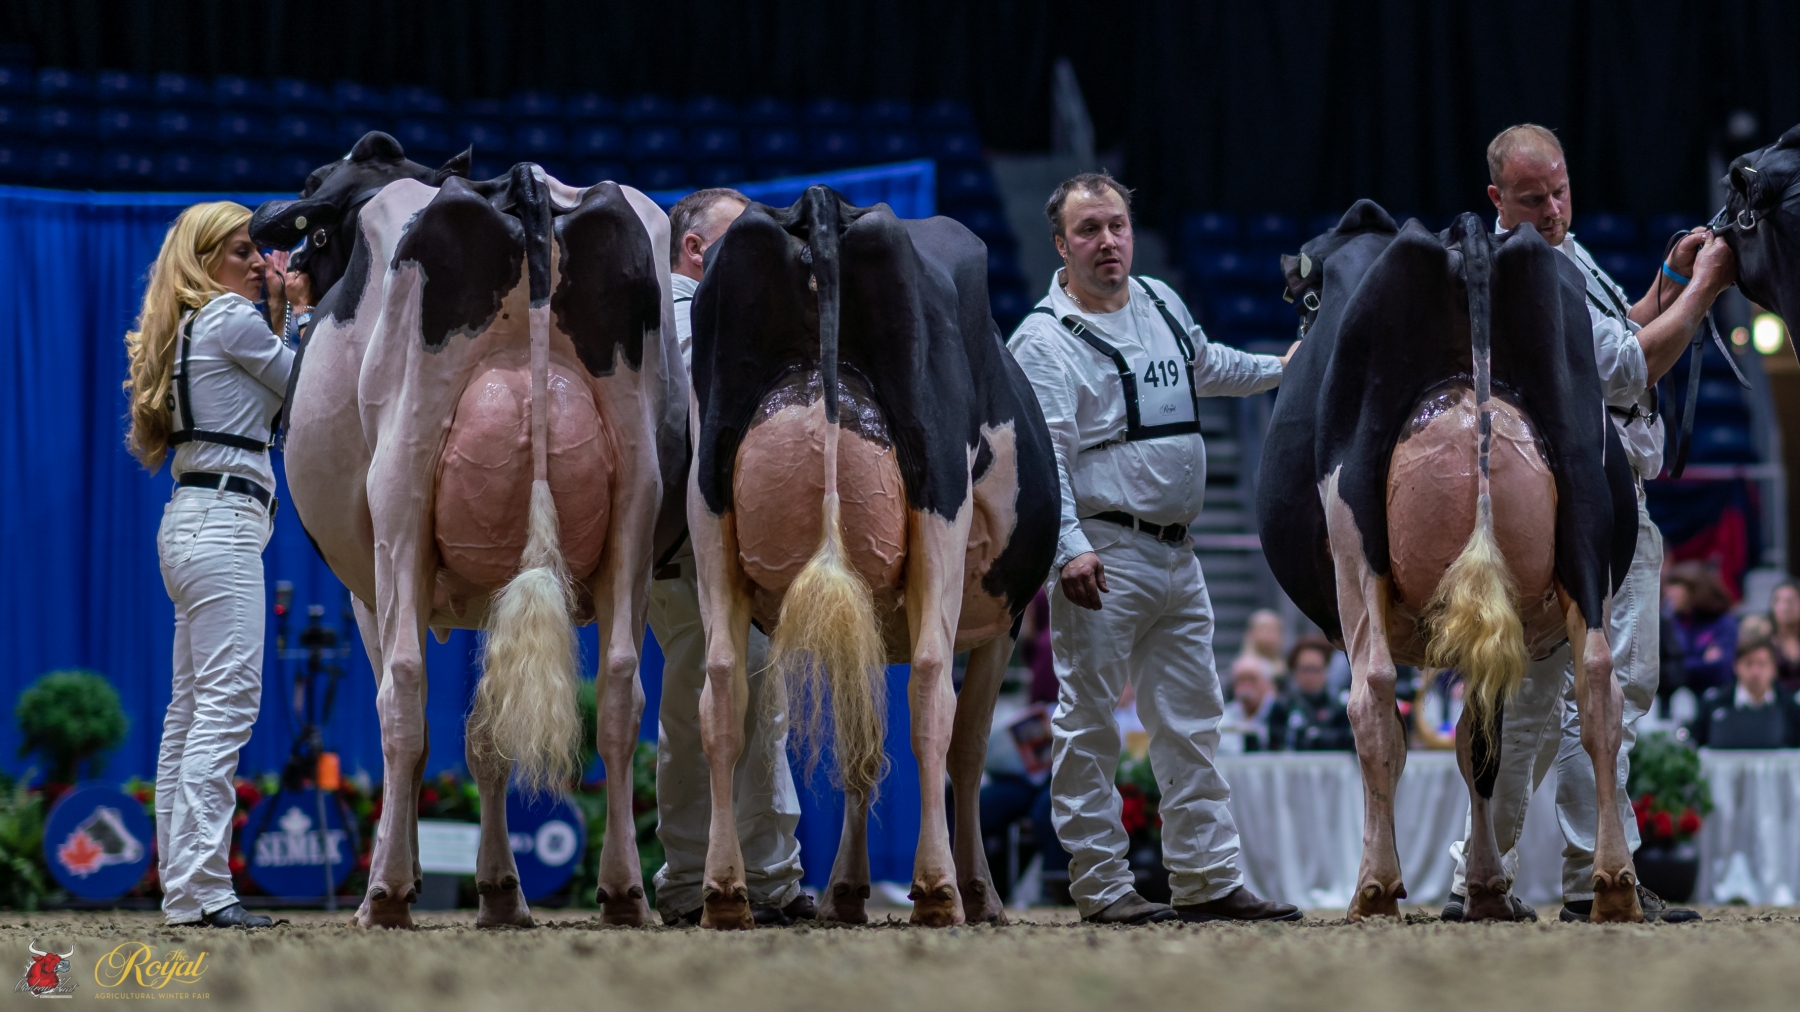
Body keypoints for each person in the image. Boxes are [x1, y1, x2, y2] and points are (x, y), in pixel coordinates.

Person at [1445, 124, 1735, 924]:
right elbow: (1629, 368)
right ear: (1497, 198)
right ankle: (1595, 876)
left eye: (1560, 190)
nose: (1552, 208)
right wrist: (1708, 288)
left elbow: (1623, 328)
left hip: (1553, 510)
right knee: (1608, 696)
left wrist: (1668, 283)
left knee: (1530, 708)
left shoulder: (1558, 255)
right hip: (1593, 510)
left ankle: (1479, 876)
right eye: (1532, 197)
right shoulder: (1526, 268)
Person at [1008, 172, 1299, 925]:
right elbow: (1045, 458)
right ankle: (1102, 887)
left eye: (1118, 226)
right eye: (1089, 230)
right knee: (1089, 724)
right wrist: (1068, 548)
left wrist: (1282, 369)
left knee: (1193, 721)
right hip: (1101, 555)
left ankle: (1206, 878)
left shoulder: (1162, 299)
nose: (1108, 241)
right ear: (1061, 245)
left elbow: (1207, 366)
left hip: (1178, 553)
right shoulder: (1042, 340)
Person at [124, 201, 307, 928]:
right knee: (225, 707)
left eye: (257, 250)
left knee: (190, 713)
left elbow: (275, 398)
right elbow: (306, 385)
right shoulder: (229, 318)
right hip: (224, 522)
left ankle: (186, 892)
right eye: (241, 251)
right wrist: (301, 310)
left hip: (193, 520)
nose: (259, 262)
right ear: (205, 261)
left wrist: (280, 314)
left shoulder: (192, 325)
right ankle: (206, 889)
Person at [648, 187, 813, 926]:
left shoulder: (704, 315)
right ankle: (693, 879)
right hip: (690, 547)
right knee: (705, 708)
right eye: (740, 238)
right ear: (694, 250)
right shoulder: (681, 316)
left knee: (752, 706)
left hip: (723, 543)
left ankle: (762, 875)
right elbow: (710, 413)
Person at [1690, 636, 1798, 748]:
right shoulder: (1714, 703)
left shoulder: (1790, 706)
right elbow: (1695, 744)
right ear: (1736, 666)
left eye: (1762, 664)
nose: (1755, 672)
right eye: (1748, 664)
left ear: (1773, 668)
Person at [1665, 561, 1740, 695]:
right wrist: (1702, 661)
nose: (1669, 592)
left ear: (1695, 589)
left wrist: (1680, 665)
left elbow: (1722, 668)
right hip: (1675, 697)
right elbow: (1663, 670)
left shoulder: (1724, 622)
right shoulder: (1670, 623)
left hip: (1714, 695)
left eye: (1676, 585)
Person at [1268, 637, 1354, 752]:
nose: (1310, 676)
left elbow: (1347, 740)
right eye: (1305, 669)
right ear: (1294, 671)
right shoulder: (1282, 707)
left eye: (1315, 669)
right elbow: (1275, 744)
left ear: (1326, 671)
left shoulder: (1340, 706)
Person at [1219, 656, 1277, 754]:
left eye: (1252, 679)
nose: (1246, 685)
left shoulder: (1281, 713)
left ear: (1267, 683)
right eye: (1241, 680)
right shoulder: (1223, 718)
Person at [1238, 609, 1289, 688]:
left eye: (1271, 630)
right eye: (1262, 630)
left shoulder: (1285, 666)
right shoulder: (1243, 667)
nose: (1267, 635)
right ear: (1251, 634)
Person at [1767, 580, 1800, 694]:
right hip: (1776, 701)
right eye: (1778, 601)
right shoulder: (1764, 640)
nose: (1785, 607)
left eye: (1790, 601)